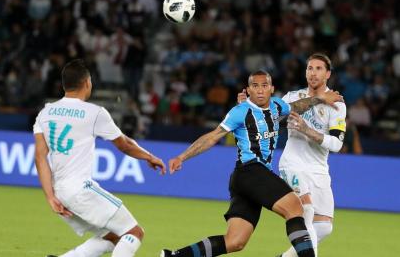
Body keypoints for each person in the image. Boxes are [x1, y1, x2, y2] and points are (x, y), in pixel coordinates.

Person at [161, 70, 343, 257]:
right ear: (248, 90)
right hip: (250, 171)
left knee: (235, 241)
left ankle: (173, 256)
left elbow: (297, 106)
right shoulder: (240, 112)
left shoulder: (277, 106)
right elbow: (212, 137)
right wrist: (182, 157)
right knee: (295, 207)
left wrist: (320, 98)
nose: (260, 90)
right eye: (255, 86)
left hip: (245, 180)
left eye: (264, 85)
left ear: (272, 88)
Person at [33, 59, 166, 257]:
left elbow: (40, 157)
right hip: (80, 190)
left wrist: (50, 196)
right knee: (134, 232)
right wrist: (149, 156)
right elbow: (124, 144)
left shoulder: (45, 113)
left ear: (63, 85)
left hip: (60, 193)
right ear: (87, 83)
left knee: (113, 236)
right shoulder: (94, 113)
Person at [238, 53, 347, 257]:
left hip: (319, 169)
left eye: (318, 69)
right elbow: (267, 116)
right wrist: (249, 104)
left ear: (328, 74)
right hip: (292, 165)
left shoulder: (336, 104)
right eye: (309, 68)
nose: (313, 73)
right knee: (306, 211)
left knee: (324, 227)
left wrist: (308, 131)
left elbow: (336, 144)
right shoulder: (292, 97)